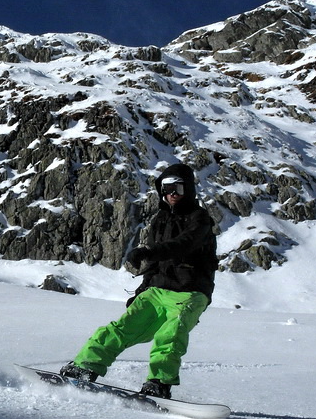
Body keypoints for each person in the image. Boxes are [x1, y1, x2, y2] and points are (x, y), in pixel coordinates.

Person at [60, 163, 218, 399]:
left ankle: (159, 382)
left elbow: (185, 244)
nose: (171, 194)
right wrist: (142, 290)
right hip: (157, 289)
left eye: (177, 188)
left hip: (190, 291)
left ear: (188, 189)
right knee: (123, 327)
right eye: (166, 188)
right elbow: (154, 264)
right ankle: (85, 366)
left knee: (171, 334)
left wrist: (149, 252)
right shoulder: (160, 219)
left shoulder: (200, 219)